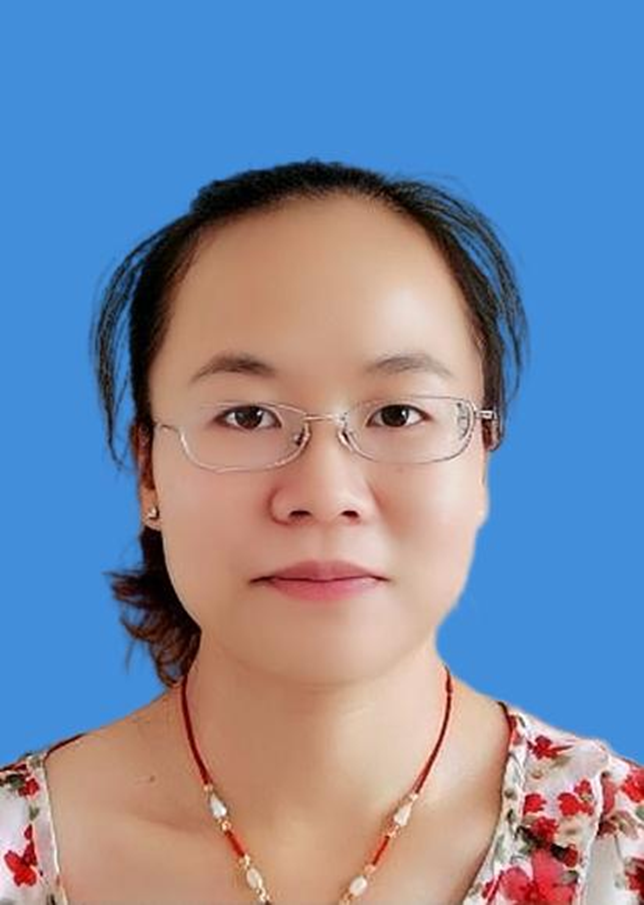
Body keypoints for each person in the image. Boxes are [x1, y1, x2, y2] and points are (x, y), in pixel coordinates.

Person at [1, 159, 642, 905]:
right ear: (149, 471)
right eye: (247, 416)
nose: (325, 494)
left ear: (481, 458)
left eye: (398, 413)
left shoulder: (617, 846)